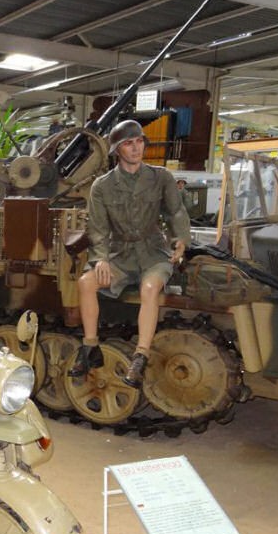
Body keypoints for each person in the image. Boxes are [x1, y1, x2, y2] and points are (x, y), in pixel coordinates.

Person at [69, 120, 190, 388]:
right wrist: (100, 257)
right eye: (128, 143)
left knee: (150, 288)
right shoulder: (102, 186)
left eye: (139, 142)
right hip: (120, 254)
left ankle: (140, 355)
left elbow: (176, 211)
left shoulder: (161, 177)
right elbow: (98, 228)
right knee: (86, 283)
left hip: (153, 251)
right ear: (117, 150)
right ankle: (90, 348)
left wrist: (180, 239)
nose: (136, 148)